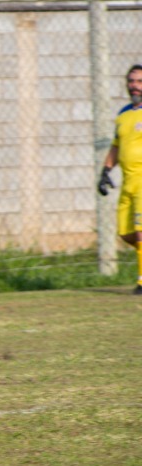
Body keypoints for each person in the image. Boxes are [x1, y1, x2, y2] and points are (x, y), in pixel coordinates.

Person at [97, 63, 142, 294]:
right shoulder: (123, 114)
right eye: (131, 81)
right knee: (126, 234)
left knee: (141, 231)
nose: (134, 86)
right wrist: (106, 171)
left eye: (139, 82)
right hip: (127, 182)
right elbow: (116, 145)